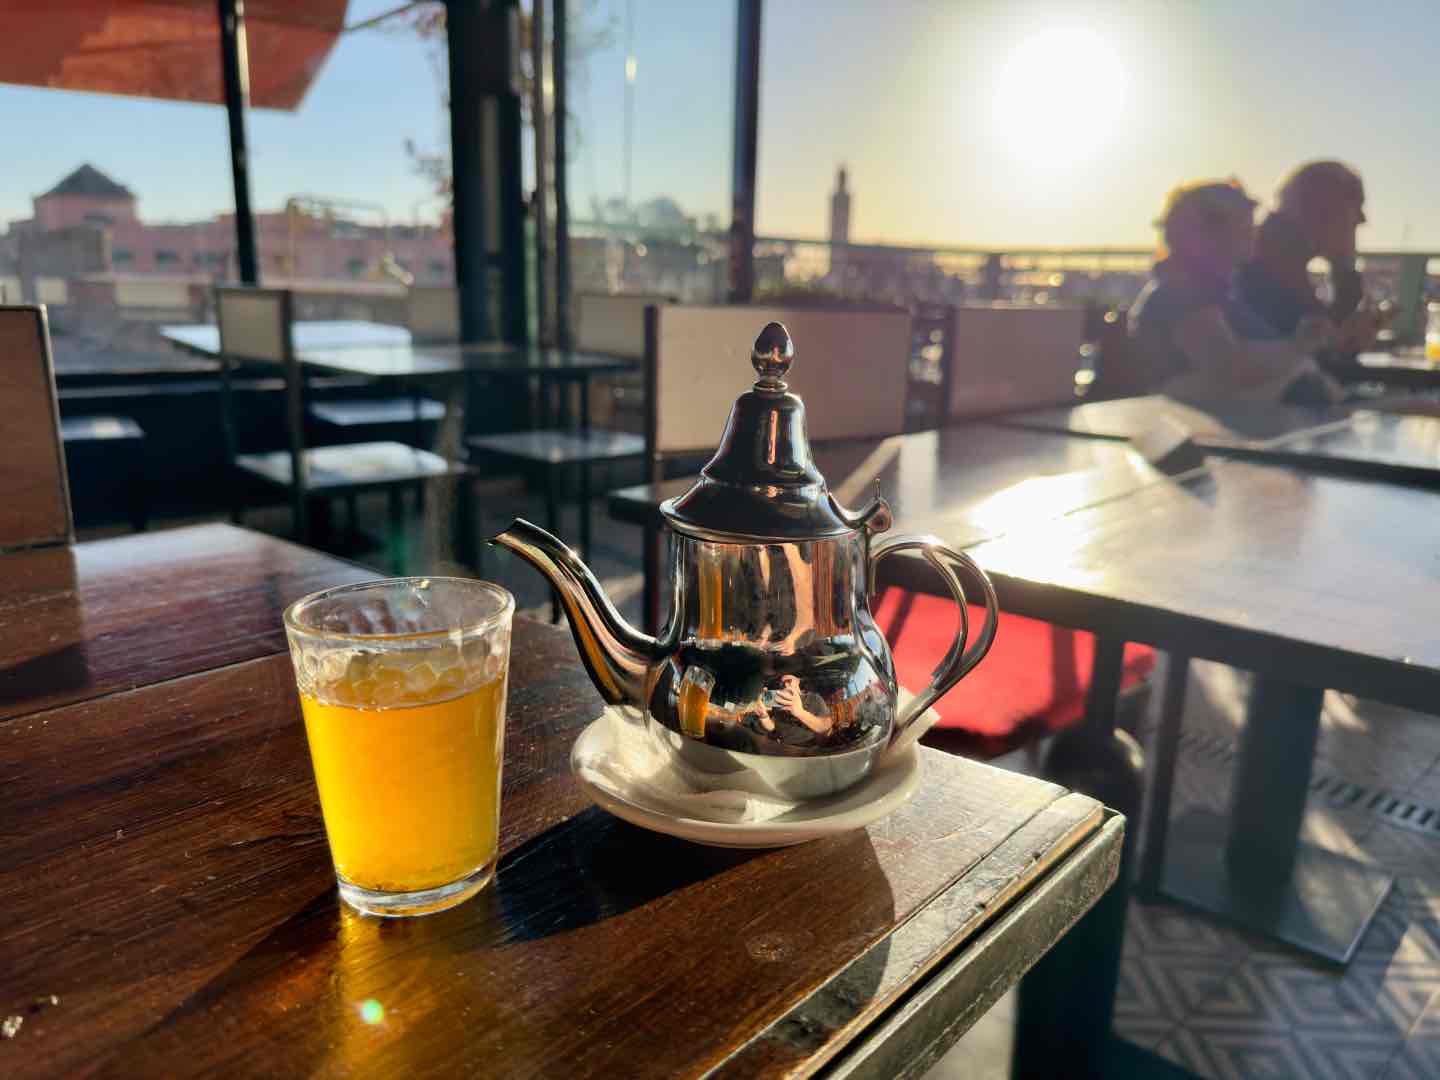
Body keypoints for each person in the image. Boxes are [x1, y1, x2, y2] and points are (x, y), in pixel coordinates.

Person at [1129, 179, 1341, 404]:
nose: (1253, 230)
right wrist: (1298, 347)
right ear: (1199, 234)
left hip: (1269, 426)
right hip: (1231, 430)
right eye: (1242, 223)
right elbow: (1229, 368)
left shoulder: (1221, 294)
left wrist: (1303, 342)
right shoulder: (1180, 295)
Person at [1237, 161, 1379, 351]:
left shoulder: (1276, 246)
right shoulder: (1272, 260)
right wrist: (1344, 264)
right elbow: (1313, 351)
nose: (1362, 219)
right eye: (1356, 205)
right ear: (1323, 210)